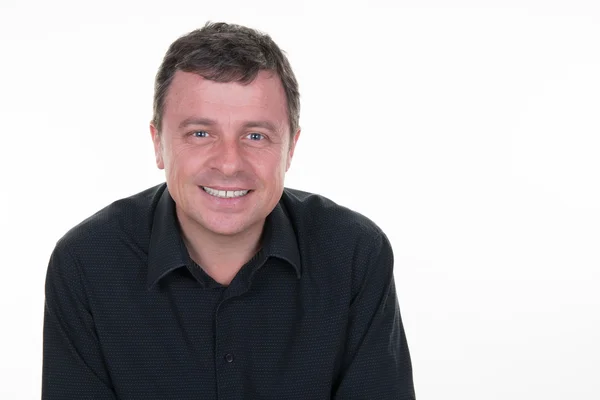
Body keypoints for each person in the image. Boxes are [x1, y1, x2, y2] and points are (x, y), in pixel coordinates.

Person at [42, 21, 415, 399]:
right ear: (158, 144)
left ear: (291, 149)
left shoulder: (354, 255)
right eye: (200, 133)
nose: (229, 163)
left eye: (256, 136)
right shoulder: (87, 263)